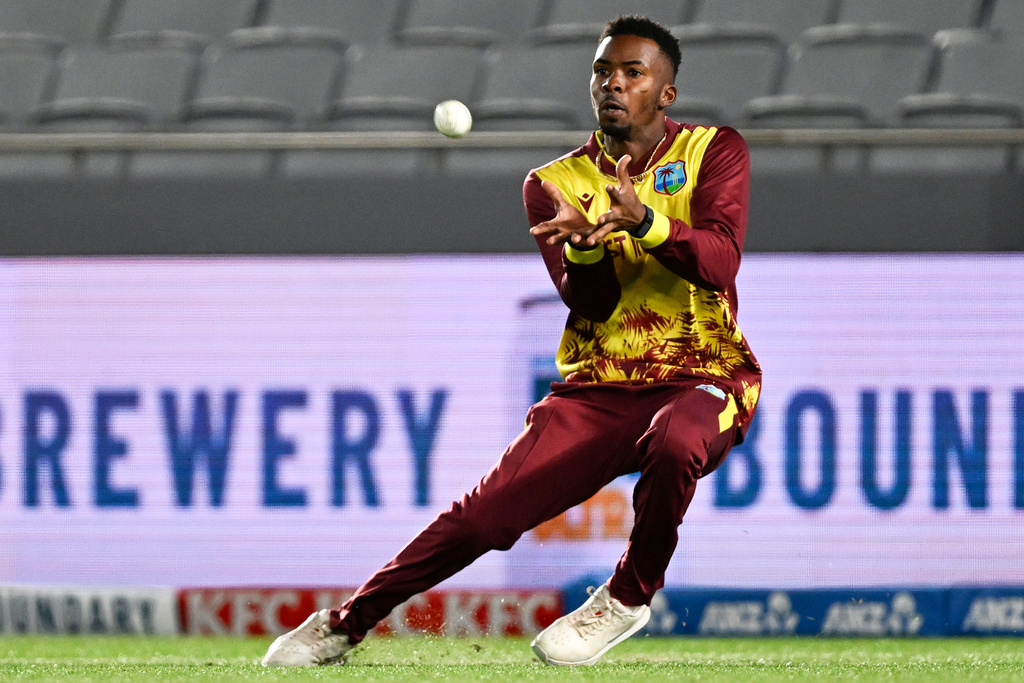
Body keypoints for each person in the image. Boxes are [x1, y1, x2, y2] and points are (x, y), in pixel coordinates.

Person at [261, 14, 761, 668]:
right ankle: (347, 622)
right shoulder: (554, 183)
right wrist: (585, 253)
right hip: (595, 392)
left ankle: (627, 595)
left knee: (675, 439)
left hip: (705, 377)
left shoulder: (714, 151)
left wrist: (644, 222)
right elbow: (593, 304)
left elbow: (719, 261)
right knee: (481, 520)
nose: (612, 84)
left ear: (665, 93)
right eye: (601, 72)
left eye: (631, 73)